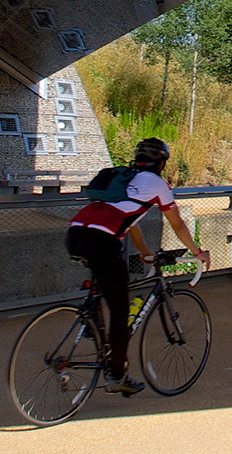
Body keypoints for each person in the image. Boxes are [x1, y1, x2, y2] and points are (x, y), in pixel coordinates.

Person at [65, 137, 211, 396]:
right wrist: (197, 252)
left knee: (103, 288)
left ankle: (93, 323)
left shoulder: (124, 178)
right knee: (120, 311)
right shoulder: (157, 184)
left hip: (76, 234)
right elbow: (177, 224)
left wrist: (144, 252)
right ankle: (117, 376)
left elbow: (131, 224)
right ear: (162, 163)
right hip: (103, 241)